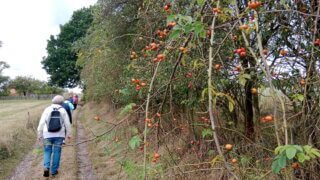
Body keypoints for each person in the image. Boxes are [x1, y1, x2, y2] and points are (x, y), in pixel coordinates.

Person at [37, 95, 71, 177]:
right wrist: (69, 134)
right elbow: (67, 123)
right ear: (62, 103)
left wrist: (39, 134)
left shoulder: (47, 109)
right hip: (59, 136)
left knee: (47, 150)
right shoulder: (63, 110)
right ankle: (54, 171)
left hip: (47, 135)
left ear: (52, 101)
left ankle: (46, 167)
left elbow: (41, 122)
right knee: (57, 152)